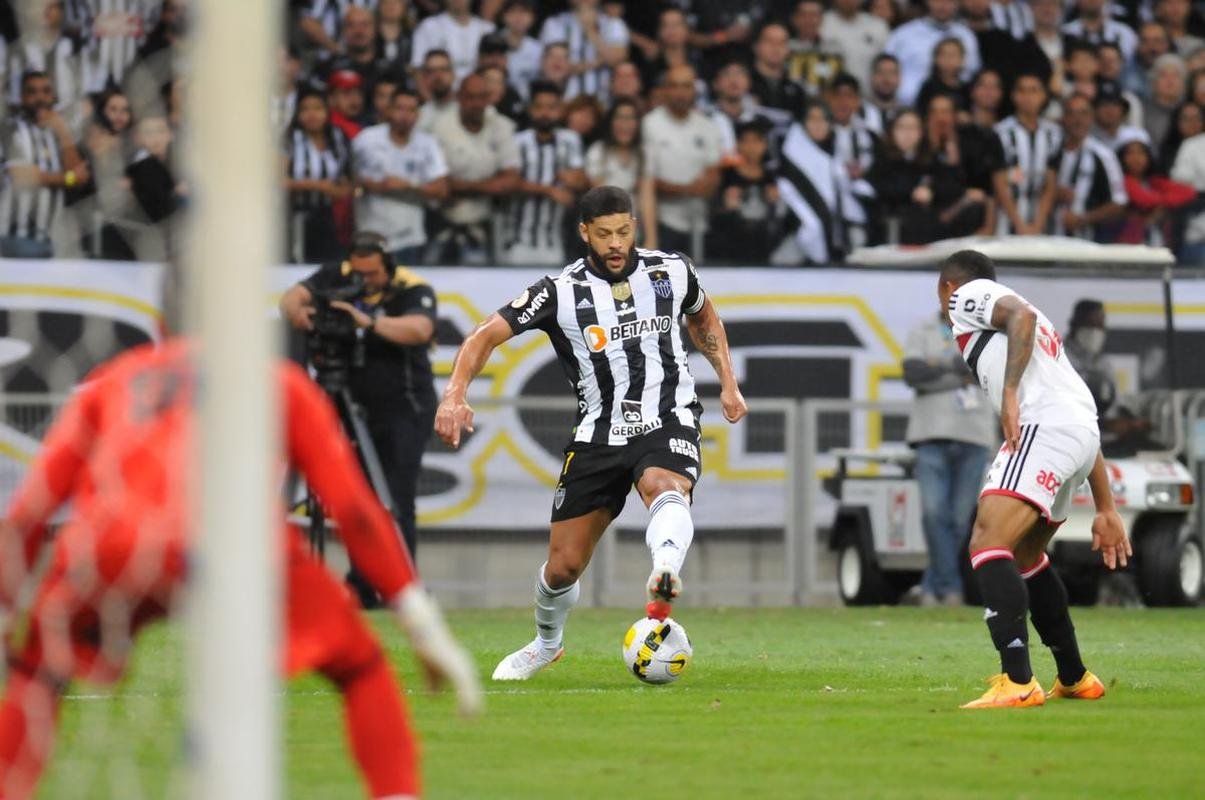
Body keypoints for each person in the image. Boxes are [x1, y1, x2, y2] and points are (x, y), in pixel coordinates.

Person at [0, 339, 480, 800]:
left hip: (117, 545)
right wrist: (420, 620)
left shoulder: (115, 380)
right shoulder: (275, 382)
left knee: (36, 674)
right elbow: (352, 509)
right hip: (240, 545)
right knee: (360, 668)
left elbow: (26, 515)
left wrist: (6, 613)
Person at [434, 185, 748, 680]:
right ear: (584, 233)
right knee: (562, 567)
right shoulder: (559, 291)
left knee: (664, 485)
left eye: (623, 231)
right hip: (598, 434)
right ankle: (546, 644)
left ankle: (665, 567)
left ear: (634, 227)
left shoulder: (671, 270)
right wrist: (454, 393)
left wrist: (728, 382)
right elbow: (484, 335)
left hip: (668, 416)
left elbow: (703, 315)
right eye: (604, 234)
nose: (616, 243)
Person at [939, 249, 1130, 708]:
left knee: (987, 541)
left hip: (1044, 430)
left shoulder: (966, 295)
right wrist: (1105, 507)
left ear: (947, 287)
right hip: (1079, 436)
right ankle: (1075, 676)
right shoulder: (1043, 332)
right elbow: (1077, 415)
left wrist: (1009, 393)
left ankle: (1018, 680)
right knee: (1025, 555)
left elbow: (1018, 317)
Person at [280, 231, 439, 569]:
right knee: (357, 502)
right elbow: (292, 298)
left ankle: (398, 581)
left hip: (403, 409)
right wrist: (298, 313)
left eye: (372, 274)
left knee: (394, 499)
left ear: (388, 265)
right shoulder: (336, 275)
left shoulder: (412, 288)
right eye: (358, 273)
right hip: (350, 404)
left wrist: (367, 322)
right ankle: (363, 581)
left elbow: (420, 329)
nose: (364, 280)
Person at [903, 310, 995, 606]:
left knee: (958, 519)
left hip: (974, 435)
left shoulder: (986, 333)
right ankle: (950, 587)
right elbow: (913, 374)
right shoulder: (923, 329)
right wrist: (957, 370)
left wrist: (937, 368)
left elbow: (988, 374)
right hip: (930, 434)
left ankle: (932, 587)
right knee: (933, 514)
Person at [427, 73, 520, 264]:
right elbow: (438, 186)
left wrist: (460, 187)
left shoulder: (502, 126)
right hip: (443, 222)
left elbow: (510, 182)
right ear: (459, 97)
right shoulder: (440, 128)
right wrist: (489, 185)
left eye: (482, 97)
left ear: (489, 99)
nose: (476, 103)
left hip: (486, 224)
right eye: (470, 97)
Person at [353, 86, 450, 264]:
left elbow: (441, 189)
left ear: (418, 114)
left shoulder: (428, 144)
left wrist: (408, 185)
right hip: (370, 234)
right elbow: (347, 178)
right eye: (399, 108)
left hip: (409, 237)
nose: (404, 115)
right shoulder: (366, 139)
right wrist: (375, 185)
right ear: (388, 110)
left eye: (411, 110)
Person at [0, 70, 88, 258]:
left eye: (46, 91)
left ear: (53, 96)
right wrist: (68, 178)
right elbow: (23, 177)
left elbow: (81, 177)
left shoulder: (60, 133)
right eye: (32, 92)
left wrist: (62, 131)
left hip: (51, 238)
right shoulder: (9, 128)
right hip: (12, 235)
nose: (40, 98)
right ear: (22, 97)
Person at [639, 65, 722, 255]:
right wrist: (685, 189)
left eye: (686, 86)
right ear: (664, 90)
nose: (680, 93)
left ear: (695, 90)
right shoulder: (650, 124)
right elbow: (646, 179)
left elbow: (714, 173)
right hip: (662, 221)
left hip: (701, 221)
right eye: (674, 86)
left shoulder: (707, 126)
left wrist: (705, 185)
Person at [506, 80, 587, 265]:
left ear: (560, 110)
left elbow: (581, 179)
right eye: (539, 107)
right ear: (530, 109)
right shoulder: (517, 142)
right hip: (518, 241)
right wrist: (548, 190)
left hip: (554, 242)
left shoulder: (570, 140)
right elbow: (508, 183)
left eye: (551, 107)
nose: (545, 113)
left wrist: (575, 181)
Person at [283, 88, 352, 263]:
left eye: (318, 108)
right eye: (305, 109)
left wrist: (334, 190)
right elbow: (278, 181)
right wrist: (318, 185)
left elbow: (347, 185)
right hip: (294, 216)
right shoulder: (289, 138)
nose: (312, 115)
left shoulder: (338, 137)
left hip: (328, 216)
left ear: (327, 110)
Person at [1051, 93, 1127, 240]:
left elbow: (1119, 202)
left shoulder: (1103, 155)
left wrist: (1083, 219)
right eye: (1071, 113)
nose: (1078, 120)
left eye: (1083, 113)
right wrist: (1053, 193)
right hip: (1047, 236)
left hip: (1087, 241)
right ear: (1064, 118)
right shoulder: (1052, 150)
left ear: (1092, 117)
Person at [993, 73, 1061, 235]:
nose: (1028, 97)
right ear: (1013, 96)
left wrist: (1038, 224)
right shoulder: (1001, 132)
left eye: (1034, 90)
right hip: (1007, 219)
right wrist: (1019, 224)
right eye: (1022, 91)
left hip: (1041, 219)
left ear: (1044, 96)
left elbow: (1050, 182)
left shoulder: (1053, 133)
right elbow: (999, 181)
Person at [884, 0, 982, 107]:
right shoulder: (903, 34)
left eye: (949, 1)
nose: (943, 5)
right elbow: (885, 68)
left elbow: (972, 74)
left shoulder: (966, 36)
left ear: (957, 4)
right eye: (937, 1)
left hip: (951, 109)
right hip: (905, 106)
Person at [539, 0, 629, 102]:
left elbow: (617, 61)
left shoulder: (613, 23)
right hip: (566, 101)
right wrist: (601, 61)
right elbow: (554, 69)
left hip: (603, 101)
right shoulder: (554, 23)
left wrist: (590, 30)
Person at [1115, 136, 1195, 245]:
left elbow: (1189, 192)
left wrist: (1162, 204)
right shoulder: (1122, 181)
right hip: (1126, 239)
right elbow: (1144, 200)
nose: (1136, 158)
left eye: (1141, 153)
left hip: (1158, 237)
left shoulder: (1153, 181)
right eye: (1130, 153)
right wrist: (1165, 203)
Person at [409, 0, 496, 84]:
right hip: (441, 91)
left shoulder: (487, 29)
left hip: (478, 90)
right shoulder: (428, 27)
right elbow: (418, 69)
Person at [821, 0, 890, 90]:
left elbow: (886, 63)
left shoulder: (878, 26)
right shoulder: (821, 23)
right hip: (831, 92)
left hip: (869, 93)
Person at [586, 97, 642, 196]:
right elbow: (600, 196)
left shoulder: (643, 153)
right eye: (620, 118)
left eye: (630, 118)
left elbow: (646, 195)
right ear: (610, 122)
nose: (625, 124)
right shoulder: (597, 151)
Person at [416, 49, 457, 131]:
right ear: (424, 77)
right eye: (432, 71)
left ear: (453, 74)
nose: (438, 76)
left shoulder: (466, 112)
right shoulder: (419, 118)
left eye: (443, 70)